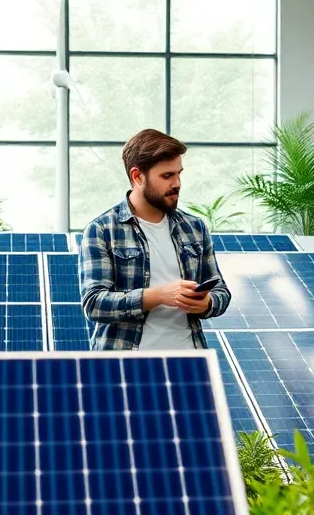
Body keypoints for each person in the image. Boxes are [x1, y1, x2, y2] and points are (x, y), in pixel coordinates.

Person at [79, 129, 231, 350]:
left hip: (188, 364)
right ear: (137, 176)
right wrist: (158, 296)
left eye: (179, 173)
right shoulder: (102, 230)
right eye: (167, 176)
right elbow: (94, 304)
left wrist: (206, 303)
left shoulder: (195, 228)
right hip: (126, 366)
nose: (177, 183)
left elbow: (221, 292)